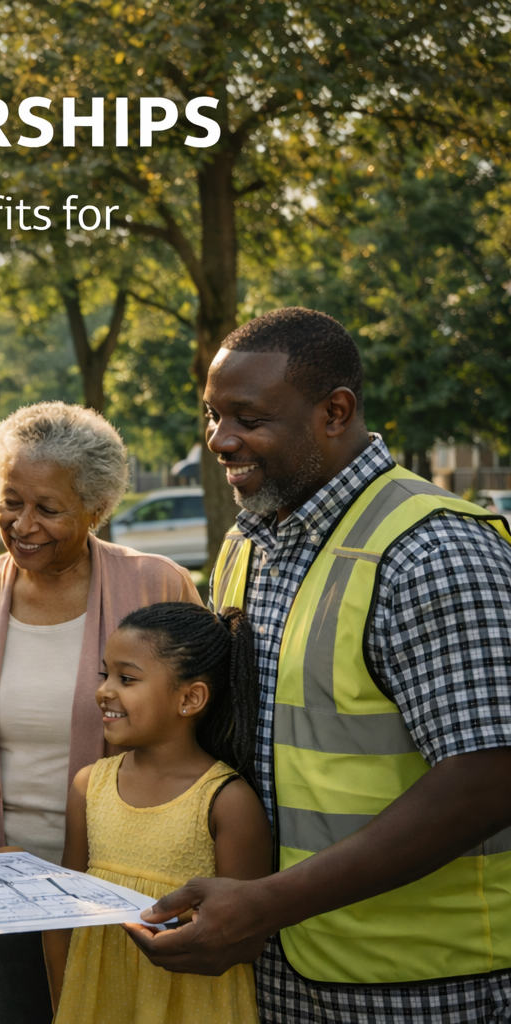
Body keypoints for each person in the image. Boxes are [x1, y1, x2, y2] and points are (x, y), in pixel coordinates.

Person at [125, 307, 511, 1023]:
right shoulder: (248, 546)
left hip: (425, 984)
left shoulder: (435, 553)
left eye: (247, 417)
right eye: (211, 415)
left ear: (335, 412)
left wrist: (266, 903)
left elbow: (488, 777)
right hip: (279, 968)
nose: (219, 439)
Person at [0, 402, 201, 1022]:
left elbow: (206, 728)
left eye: (48, 508)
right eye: (11, 501)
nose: (23, 524)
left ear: (96, 509)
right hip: (1, 881)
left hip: (126, 882)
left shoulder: (157, 585)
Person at [50, 602, 269, 1024]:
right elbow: (63, 918)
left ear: (190, 697)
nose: (104, 690)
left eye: (126, 678)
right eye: (105, 674)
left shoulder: (226, 801)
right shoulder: (88, 787)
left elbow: (245, 938)